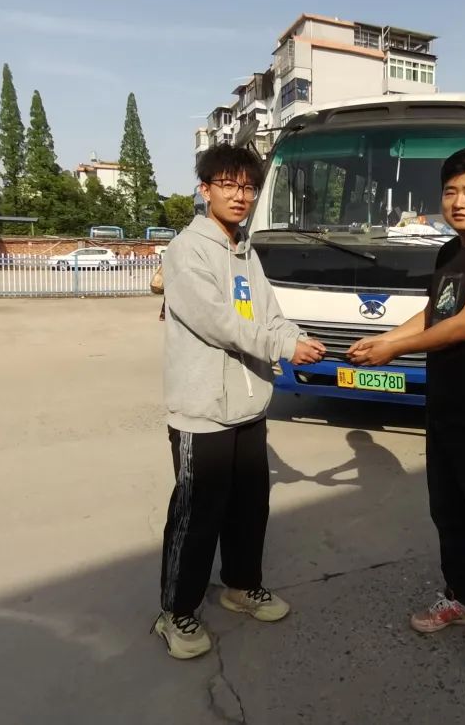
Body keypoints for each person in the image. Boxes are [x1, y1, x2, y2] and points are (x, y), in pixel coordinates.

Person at [347, 147, 465, 672]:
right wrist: (384, 338)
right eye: (451, 192)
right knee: (448, 514)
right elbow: (435, 313)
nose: (459, 202)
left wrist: (395, 351)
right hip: (444, 406)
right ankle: (461, 598)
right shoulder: (450, 252)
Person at [153, 144, 326, 660]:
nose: (239, 196)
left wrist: (300, 339)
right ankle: (175, 612)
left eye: (248, 187)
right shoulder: (187, 251)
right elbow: (219, 324)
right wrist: (282, 347)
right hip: (202, 412)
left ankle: (241, 585)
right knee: (196, 515)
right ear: (204, 189)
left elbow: (269, 317)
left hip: (249, 407)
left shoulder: (245, 252)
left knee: (250, 507)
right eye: (227, 185)